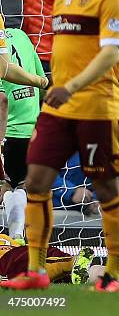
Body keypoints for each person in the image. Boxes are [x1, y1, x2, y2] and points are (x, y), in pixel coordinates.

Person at [0, 0, 119, 292]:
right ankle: (36, 269)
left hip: (96, 107)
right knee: (36, 181)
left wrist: (69, 85)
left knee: (104, 187)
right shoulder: (60, 0)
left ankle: (113, 273)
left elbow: (110, 54)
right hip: (60, 107)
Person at [0, 27, 46, 241]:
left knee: (7, 184)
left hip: (8, 130)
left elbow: (2, 101)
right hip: (32, 129)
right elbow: (42, 81)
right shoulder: (22, 36)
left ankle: (13, 241)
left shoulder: (2, 57)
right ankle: (17, 239)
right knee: (20, 184)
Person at [0, 234, 119, 285]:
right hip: (37, 250)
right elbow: (20, 242)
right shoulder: (6, 237)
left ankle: (74, 263)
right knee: (97, 273)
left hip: (11, 259)